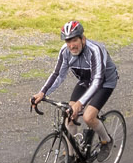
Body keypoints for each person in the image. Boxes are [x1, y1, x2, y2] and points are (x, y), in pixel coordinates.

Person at [31, 20, 117, 152]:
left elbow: (97, 81)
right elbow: (58, 74)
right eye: (68, 41)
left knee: (88, 117)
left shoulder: (95, 50)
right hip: (85, 81)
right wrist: (42, 93)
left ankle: (107, 141)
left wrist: (80, 103)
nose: (71, 46)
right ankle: (71, 155)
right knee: (70, 115)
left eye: (74, 40)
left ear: (83, 38)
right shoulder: (65, 52)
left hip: (104, 82)